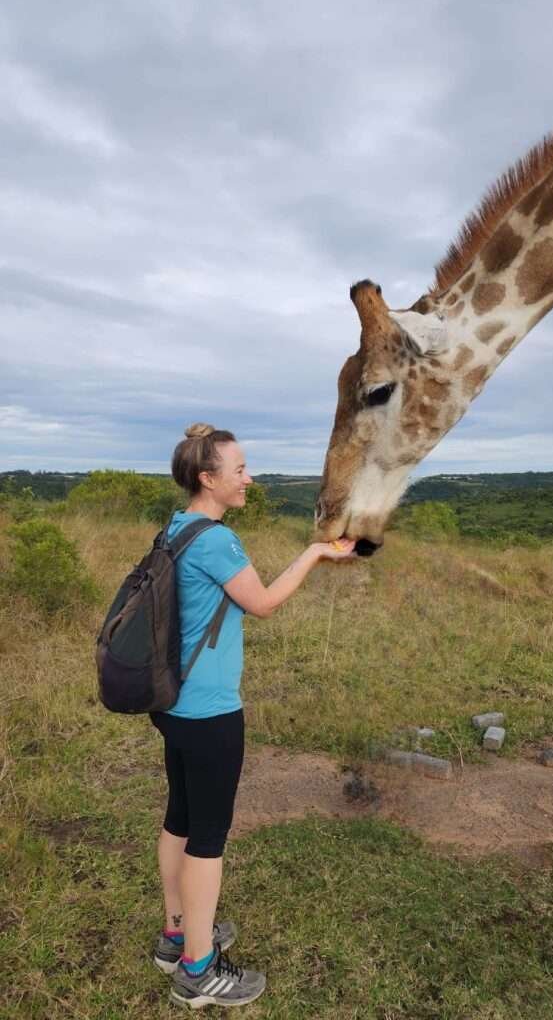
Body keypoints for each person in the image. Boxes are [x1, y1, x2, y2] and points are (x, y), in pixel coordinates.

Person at [150, 422, 355, 1009]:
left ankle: (175, 935)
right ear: (208, 479)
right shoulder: (215, 539)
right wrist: (315, 552)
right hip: (210, 711)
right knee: (207, 839)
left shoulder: (176, 528)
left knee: (180, 819)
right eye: (239, 470)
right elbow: (262, 603)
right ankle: (197, 969)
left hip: (173, 704)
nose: (249, 478)